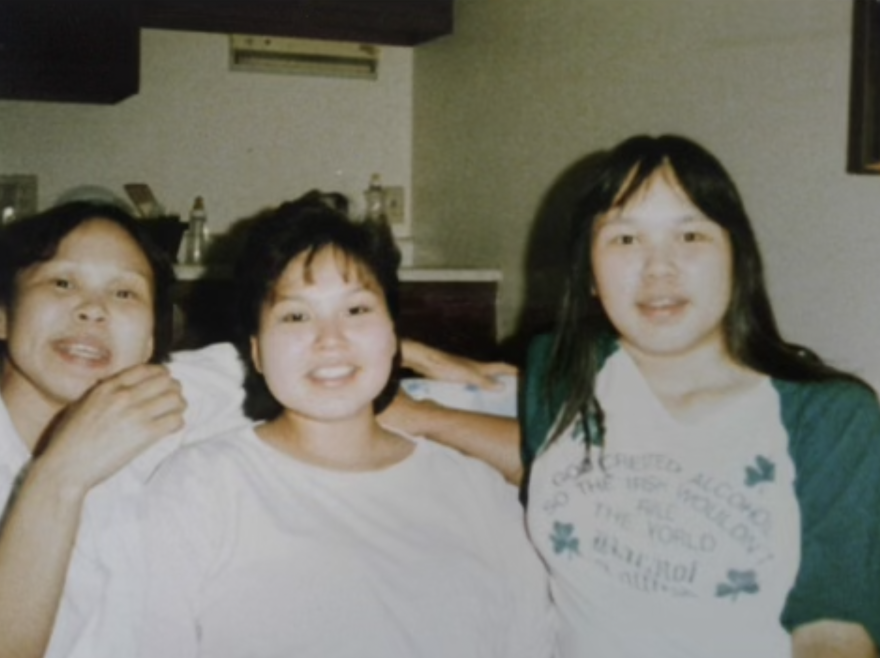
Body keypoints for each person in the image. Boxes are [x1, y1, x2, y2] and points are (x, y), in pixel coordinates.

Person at [384, 135, 880, 657]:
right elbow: (556, 466)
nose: (658, 267)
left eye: (690, 236)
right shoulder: (563, 368)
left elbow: (834, 632)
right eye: (625, 240)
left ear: (738, 258)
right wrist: (419, 411)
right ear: (589, 274)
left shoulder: (828, 417)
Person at [0, 199, 518, 658]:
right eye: (62, 282)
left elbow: (317, 356)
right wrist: (60, 474)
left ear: (155, 336)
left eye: (125, 293)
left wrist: (421, 383)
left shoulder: (164, 396)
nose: (92, 310)